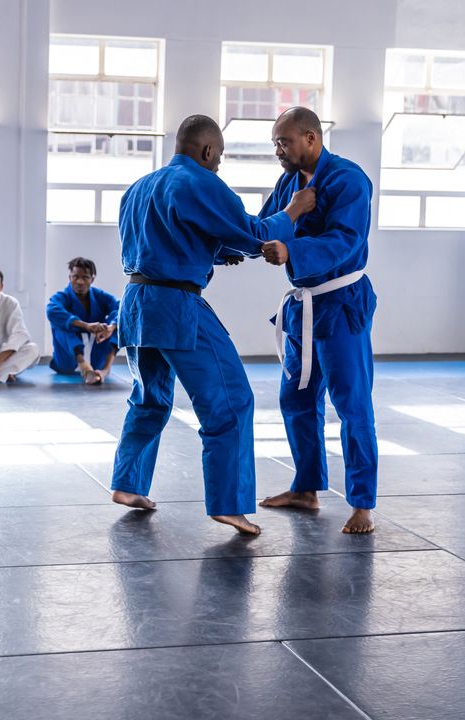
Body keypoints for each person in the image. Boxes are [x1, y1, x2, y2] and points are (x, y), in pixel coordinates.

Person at [110, 114, 316, 536]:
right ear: (207, 151)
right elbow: (256, 233)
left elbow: (166, 237)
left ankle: (128, 484)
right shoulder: (200, 182)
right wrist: (292, 211)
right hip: (177, 305)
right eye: (218, 157)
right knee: (231, 399)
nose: (218, 165)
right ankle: (229, 504)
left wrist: (217, 252)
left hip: (135, 302)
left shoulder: (138, 188)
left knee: (149, 398)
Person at [257, 107, 379, 534]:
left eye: (283, 142)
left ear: (310, 138)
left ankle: (362, 503)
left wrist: (293, 252)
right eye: (275, 142)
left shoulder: (348, 179)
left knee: (352, 403)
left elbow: (347, 240)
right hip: (302, 309)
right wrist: (288, 214)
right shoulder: (290, 182)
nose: (278, 150)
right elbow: (266, 224)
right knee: (297, 399)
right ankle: (306, 488)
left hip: (340, 303)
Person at [46, 257, 120, 385]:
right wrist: (85, 325)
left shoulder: (100, 296)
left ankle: (105, 370)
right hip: (68, 361)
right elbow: (52, 311)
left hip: (96, 357)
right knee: (60, 324)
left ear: (92, 279)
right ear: (70, 277)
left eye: (85, 277)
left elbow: (120, 309)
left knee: (120, 324)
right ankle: (84, 366)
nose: (79, 281)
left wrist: (111, 328)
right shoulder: (62, 297)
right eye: (75, 277)